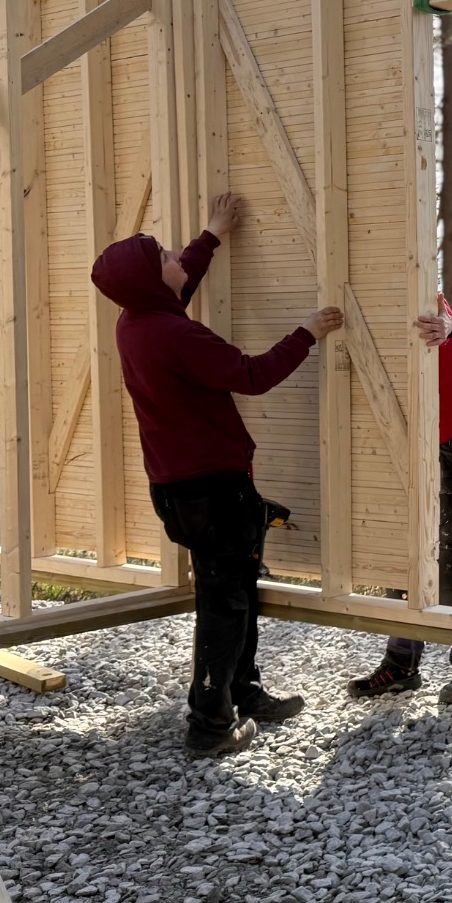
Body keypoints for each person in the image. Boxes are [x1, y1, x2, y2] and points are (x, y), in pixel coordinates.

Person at [91, 192, 344, 757]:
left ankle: (241, 692)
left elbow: (177, 286)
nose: (177, 256)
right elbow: (252, 376)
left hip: (182, 488)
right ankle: (210, 724)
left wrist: (212, 234)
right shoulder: (176, 335)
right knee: (225, 601)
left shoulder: (137, 322)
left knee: (234, 590)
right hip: (213, 490)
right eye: (164, 255)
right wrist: (307, 332)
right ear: (154, 282)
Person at [348, 293, 452, 708]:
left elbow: (447, 329)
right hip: (415, 451)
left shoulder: (431, 305)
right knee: (402, 563)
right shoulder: (380, 307)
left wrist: (447, 330)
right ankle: (401, 666)